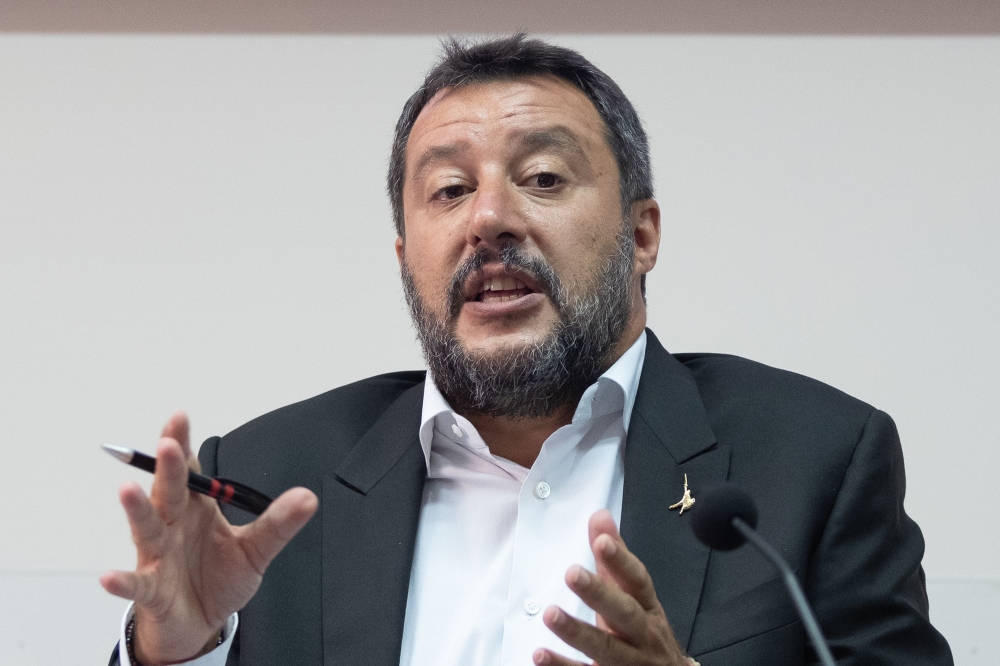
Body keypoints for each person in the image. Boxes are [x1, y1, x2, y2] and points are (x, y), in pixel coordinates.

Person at [102, 35, 953, 666]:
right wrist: (177, 653)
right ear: (407, 257)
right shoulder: (270, 478)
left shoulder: (812, 460)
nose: (489, 218)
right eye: (448, 189)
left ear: (642, 233)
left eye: (543, 178)